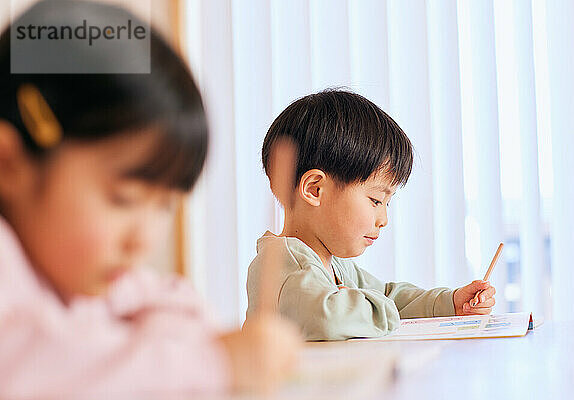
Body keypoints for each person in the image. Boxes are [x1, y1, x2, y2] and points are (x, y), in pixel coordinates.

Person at [0, 1, 299, 397]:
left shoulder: (86, 275)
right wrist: (214, 363)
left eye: (164, 205)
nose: (144, 239)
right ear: (8, 165)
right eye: (124, 199)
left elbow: (183, 309)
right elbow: (33, 373)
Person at [246, 90, 496, 341]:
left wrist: (448, 303)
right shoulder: (284, 262)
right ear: (315, 189)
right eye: (376, 200)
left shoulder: (334, 264)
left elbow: (387, 296)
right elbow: (331, 319)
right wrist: (382, 307)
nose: (383, 219)